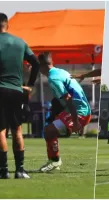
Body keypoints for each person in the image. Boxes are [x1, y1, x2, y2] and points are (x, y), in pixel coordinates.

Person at [0, 13, 40, 179]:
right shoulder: (20, 42)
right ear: (7, 24)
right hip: (17, 90)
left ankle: (3, 171)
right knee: (17, 129)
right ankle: (20, 170)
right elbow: (36, 63)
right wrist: (29, 85)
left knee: (1, 131)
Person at [37, 52, 91, 172]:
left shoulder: (53, 78)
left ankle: (55, 161)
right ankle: (55, 160)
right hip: (78, 109)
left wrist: (76, 121)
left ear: (42, 65)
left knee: (48, 131)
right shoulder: (61, 71)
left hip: (79, 112)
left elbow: (68, 99)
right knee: (50, 130)